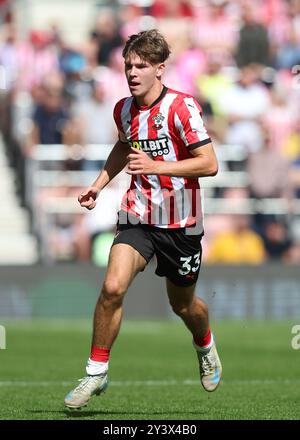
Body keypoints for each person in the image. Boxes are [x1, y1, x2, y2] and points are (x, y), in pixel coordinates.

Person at [64, 29, 222, 409]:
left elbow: (210, 164)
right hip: (138, 215)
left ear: (160, 69)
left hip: (182, 223)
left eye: (141, 66)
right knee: (113, 287)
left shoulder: (182, 108)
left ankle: (205, 345)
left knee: (183, 306)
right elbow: (123, 145)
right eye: (128, 65)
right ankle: (95, 373)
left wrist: (157, 164)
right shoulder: (123, 109)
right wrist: (99, 184)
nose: (132, 73)